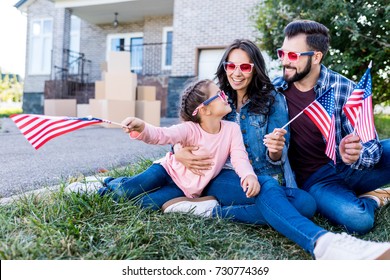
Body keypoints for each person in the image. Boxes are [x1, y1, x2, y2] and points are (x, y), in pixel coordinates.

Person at [157, 38, 390, 259]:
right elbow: (186, 125)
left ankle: (211, 211)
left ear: (255, 69)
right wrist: (177, 149)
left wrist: (275, 150)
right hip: (222, 175)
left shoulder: (272, 99)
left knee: (305, 204)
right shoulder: (215, 97)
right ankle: (325, 244)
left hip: (261, 175)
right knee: (264, 187)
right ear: (224, 67)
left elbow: (278, 155)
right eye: (231, 65)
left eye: (245, 67)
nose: (237, 73)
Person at [68, 79, 262, 216]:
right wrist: (143, 127)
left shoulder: (232, 129)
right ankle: (106, 184)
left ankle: (114, 184)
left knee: (144, 204)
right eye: (218, 94)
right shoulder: (189, 129)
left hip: (186, 190)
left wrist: (248, 175)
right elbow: (162, 135)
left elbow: (239, 158)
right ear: (205, 109)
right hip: (165, 170)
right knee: (126, 191)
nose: (224, 95)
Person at [271, 19, 390, 234]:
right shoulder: (275, 91)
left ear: (316, 57)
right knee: (359, 219)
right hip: (317, 181)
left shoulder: (344, 88)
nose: (285, 62)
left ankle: (355, 188)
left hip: (350, 168)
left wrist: (356, 154)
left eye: (293, 55)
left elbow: (372, 144)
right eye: (283, 53)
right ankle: (374, 197)